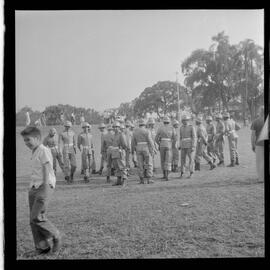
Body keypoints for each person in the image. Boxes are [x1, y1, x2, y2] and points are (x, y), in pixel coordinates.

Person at [20, 126, 62, 255]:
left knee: (36, 217)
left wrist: (44, 187)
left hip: (44, 187)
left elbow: (47, 169)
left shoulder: (43, 150)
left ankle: (56, 235)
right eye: (24, 141)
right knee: (32, 220)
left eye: (28, 140)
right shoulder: (35, 151)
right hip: (34, 187)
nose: (26, 143)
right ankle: (42, 247)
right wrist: (32, 187)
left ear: (37, 138)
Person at [132, 118, 155, 184]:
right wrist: (153, 149)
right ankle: (149, 179)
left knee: (140, 164)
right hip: (146, 148)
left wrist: (132, 150)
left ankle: (141, 179)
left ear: (139, 124)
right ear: (144, 124)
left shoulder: (135, 132)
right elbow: (150, 141)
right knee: (149, 163)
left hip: (138, 148)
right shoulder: (147, 131)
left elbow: (133, 143)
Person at [155, 116, 177, 181]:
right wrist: (172, 144)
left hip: (162, 144)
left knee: (163, 160)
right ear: (169, 122)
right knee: (168, 160)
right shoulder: (172, 128)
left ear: (163, 121)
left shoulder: (160, 128)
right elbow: (175, 138)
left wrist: (159, 144)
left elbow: (156, 139)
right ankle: (167, 175)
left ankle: (164, 175)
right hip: (169, 144)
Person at [110, 121, 129, 186]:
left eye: (116, 127)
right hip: (114, 152)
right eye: (114, 127)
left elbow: (125, 144)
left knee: (122, 166)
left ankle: (124, 180)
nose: (115, 128)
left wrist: (121, 149)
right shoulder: (113, 135)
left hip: (120, 151)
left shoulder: (121, 134)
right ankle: (118, 180)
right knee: (116, 166)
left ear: (119, 128)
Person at [179, 114, 197, 178]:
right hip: (183, 146)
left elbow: (194, 137)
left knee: (191, 159)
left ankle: (191, 172)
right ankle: (182, 172)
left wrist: (193, 146)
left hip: (190, 145)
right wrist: (180, 145)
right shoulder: (181, 128)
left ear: (188, 120)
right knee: (182, 159)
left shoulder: (191, 127)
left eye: (185, 120)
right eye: (183, 120)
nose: (184, 121)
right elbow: (180, 137)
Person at [251, 107, 265, 182]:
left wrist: (252, 145)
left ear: (260, 112)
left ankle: (261, 178)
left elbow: (253, 135)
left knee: (260, 161)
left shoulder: (256, 121)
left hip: (259, 143)